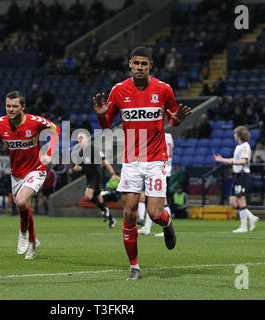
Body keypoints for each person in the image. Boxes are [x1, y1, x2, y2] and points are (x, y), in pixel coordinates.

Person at [93, 46, 192, 280]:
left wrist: (177, 119)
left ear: (151, 66)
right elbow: (106, 123)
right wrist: (99, 114)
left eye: (144, 64)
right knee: (128, 213)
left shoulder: (164, 89)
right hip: (131, 161)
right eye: (136, 63)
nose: (139, 67)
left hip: (156, 160)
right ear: (129, 64)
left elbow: (174, 119)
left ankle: (166, 224)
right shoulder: (118, 91)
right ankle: (134, 267)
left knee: (155, 213)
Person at [0, 91, 60, 260]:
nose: (10, 109)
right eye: (8, 106)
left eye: (14, 106)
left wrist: (49, 152)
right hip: (16, 173)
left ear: (23, 107)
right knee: (23, 207)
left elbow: (56, 131)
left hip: (36, 169)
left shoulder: (35, 122)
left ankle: (23, 232)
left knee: (20, 201)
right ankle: (34, 243)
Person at [68, 131, 119, 228]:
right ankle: (112, 220)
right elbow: (79, 167)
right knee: (99, 199)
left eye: (82, 138)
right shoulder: (81, 152)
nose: (80, 140)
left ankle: (104, 210)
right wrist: (72, 169)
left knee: (88, 196)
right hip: (89, 177)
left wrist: (113, 173)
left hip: (96, 176)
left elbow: (105, 161)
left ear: (87, 139)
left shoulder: (94, 150)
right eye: (79, 138)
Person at [214, 125, 260, 233]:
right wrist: (223, 160)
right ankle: (251, 217)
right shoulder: (239, 146)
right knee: (233, 203)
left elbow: (244, 161)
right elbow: (235, 159)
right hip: (238, 175)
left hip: (243, 175)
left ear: (239, 135)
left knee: (241, 199)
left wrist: (231, 162)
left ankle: (243, 227)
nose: (234, 135)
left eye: (235, 133)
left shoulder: (245, 146)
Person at [138, 131, 174, 235]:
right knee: (153, 198)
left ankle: (166, 228)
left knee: (158, 200)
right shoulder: (169, 136)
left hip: (157, 169)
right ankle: (148, 226)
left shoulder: (158, 135)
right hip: (166, 169)